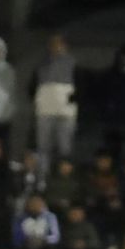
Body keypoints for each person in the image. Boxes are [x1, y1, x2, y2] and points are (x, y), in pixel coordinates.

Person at [31, 33, 78, 164]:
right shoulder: (41, 63)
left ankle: (64, 179)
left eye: (59, 44)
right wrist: (39, 101)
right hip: (45, 110)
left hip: (66, 112)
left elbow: (79, 87)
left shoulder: (73, 63)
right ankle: (43, 178)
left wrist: (70, 104)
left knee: (65, 146)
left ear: (65, 46)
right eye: (53, 44)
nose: (56, 47)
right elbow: (33, 86)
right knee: (43, 146)